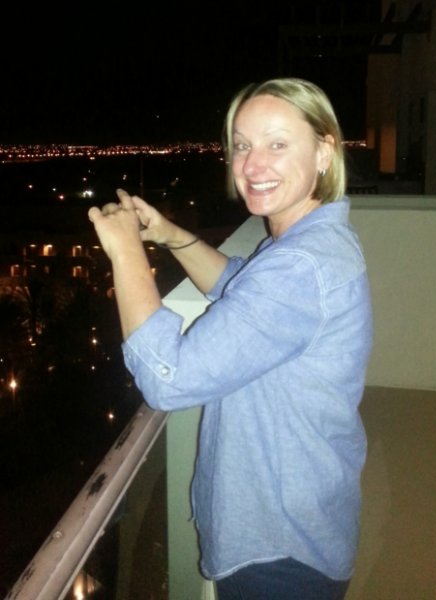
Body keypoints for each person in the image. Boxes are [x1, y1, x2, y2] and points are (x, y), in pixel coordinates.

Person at [88, 77, 373, 600]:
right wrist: (170, 235)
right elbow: (242, 287)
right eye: (242, 145)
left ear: (324, 151)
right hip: (302, 518)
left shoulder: (301, 265)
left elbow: (170, 380)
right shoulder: (311, 240)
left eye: (277, 144)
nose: (252, 164)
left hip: (279, 548)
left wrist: (125, 251)